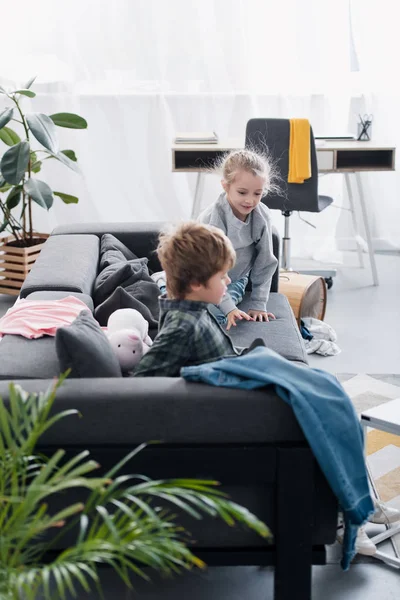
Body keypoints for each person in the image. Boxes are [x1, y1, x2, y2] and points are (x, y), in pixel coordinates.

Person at [134, 222, 245, 378]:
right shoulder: (182, 327)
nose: (228, 281)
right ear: (195, 283)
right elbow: (140, 380)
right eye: (222, 276)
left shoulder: (194, 308)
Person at [197, 148, 278, 330]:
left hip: (234, 280)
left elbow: (265, 262)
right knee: (184, 299)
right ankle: (164, 281)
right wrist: (228, 307)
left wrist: (258, 303)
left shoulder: (261, 216)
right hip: (202, 273)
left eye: (257, 193)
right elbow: (209, 268)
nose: (250, 200)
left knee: (218, 316)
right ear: (226, 186)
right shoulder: (213, 217)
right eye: (242, 192)